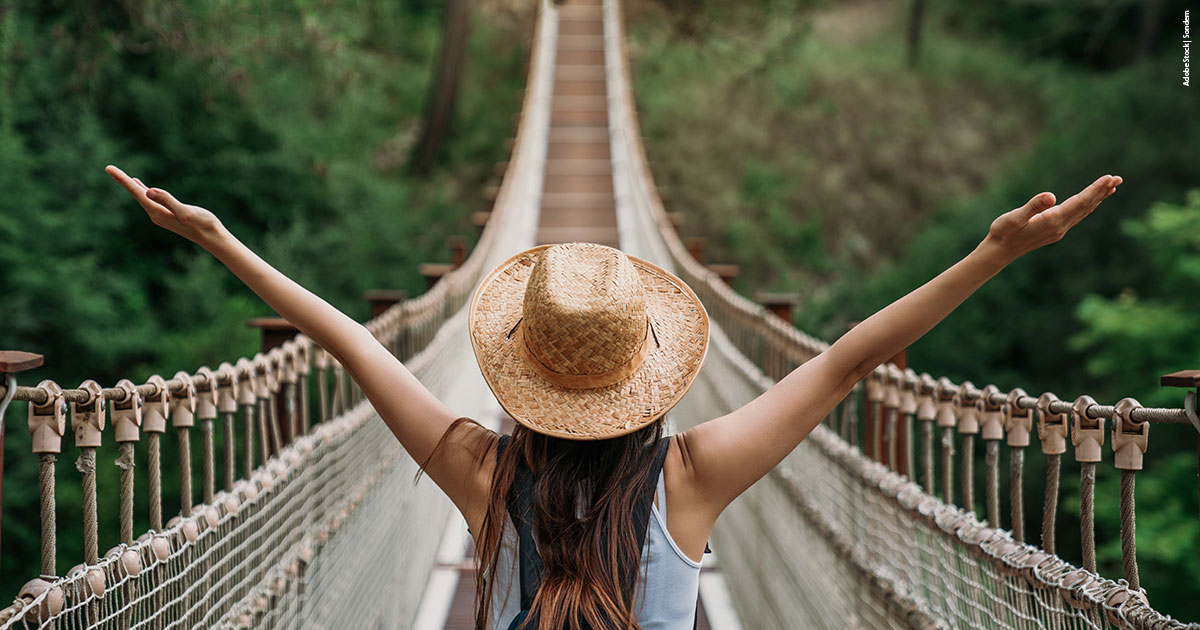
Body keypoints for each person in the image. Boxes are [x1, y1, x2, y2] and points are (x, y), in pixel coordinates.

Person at [104, 164, 1121, 629]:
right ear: (648, 374)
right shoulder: (694, 476)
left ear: (520, 371)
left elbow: (348, 341)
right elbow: (848, 363)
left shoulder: (479, 471)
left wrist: (220, 240)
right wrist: (990, 255)